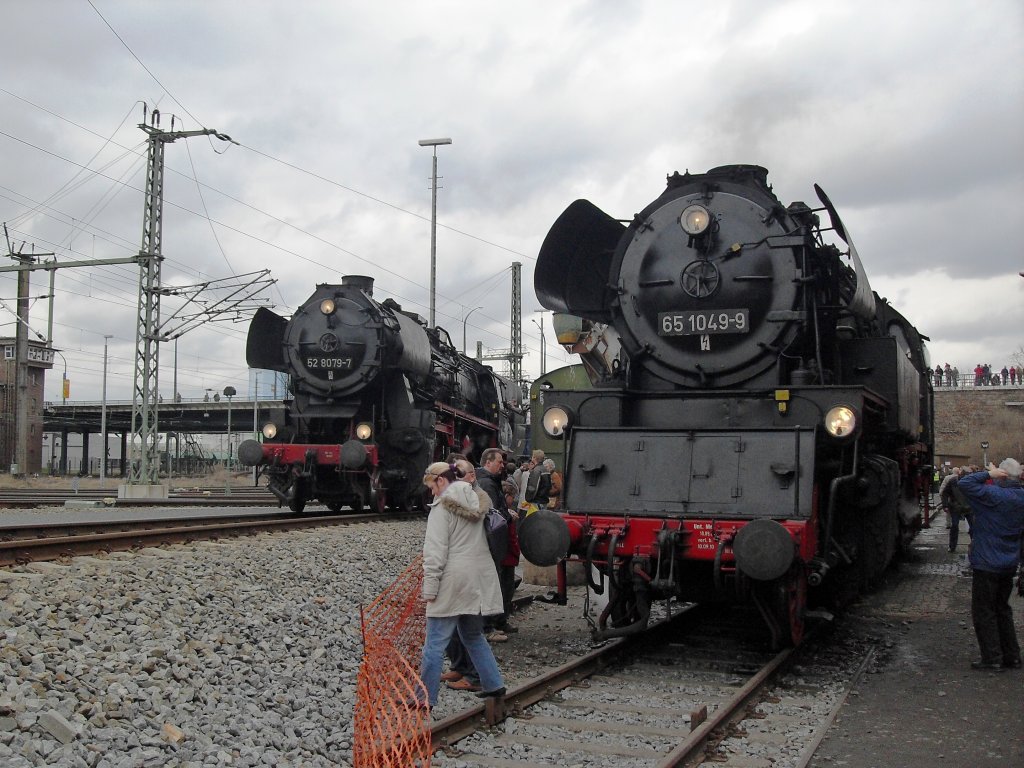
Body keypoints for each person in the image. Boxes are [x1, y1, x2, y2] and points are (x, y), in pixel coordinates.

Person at [416, 461, 506, 708]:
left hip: (453, 581)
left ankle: (424, 698)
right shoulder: (476, 501)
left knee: (434, 643)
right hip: (477, 580)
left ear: (441, 480)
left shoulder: (442, 508)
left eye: (432, 486)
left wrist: (430, 588)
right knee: (472, 635)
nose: (432, 492)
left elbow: (435, 553)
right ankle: (494, 684)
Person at [957, 459, 1024, 671]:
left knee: (984, 610)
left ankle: (992, 657)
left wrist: (989, 474)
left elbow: (965, 483)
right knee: (1002, 608)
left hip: (987, 562)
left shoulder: (992, 495)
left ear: (1003, 474)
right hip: (1010, 561)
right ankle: (1012, 655)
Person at [476, 448, 520, 640]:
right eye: (499, 462)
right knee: (494, 582)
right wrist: (505, 514)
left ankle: (496, 621)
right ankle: (489, 625)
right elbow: (491, 516)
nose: (502, 465)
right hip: (494, 541)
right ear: (488, 462)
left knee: (501, 581)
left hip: (497, 540)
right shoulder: (487, 483)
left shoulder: (488, 482)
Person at [940, 467, 974, 552]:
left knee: (973, 527)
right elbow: (945, 493)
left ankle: (976, 544)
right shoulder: (953, 481)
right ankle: (952, 546)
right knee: (954, 526)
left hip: (968, 507)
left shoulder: (971, 482)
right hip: (956, 507)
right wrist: (945, 505)